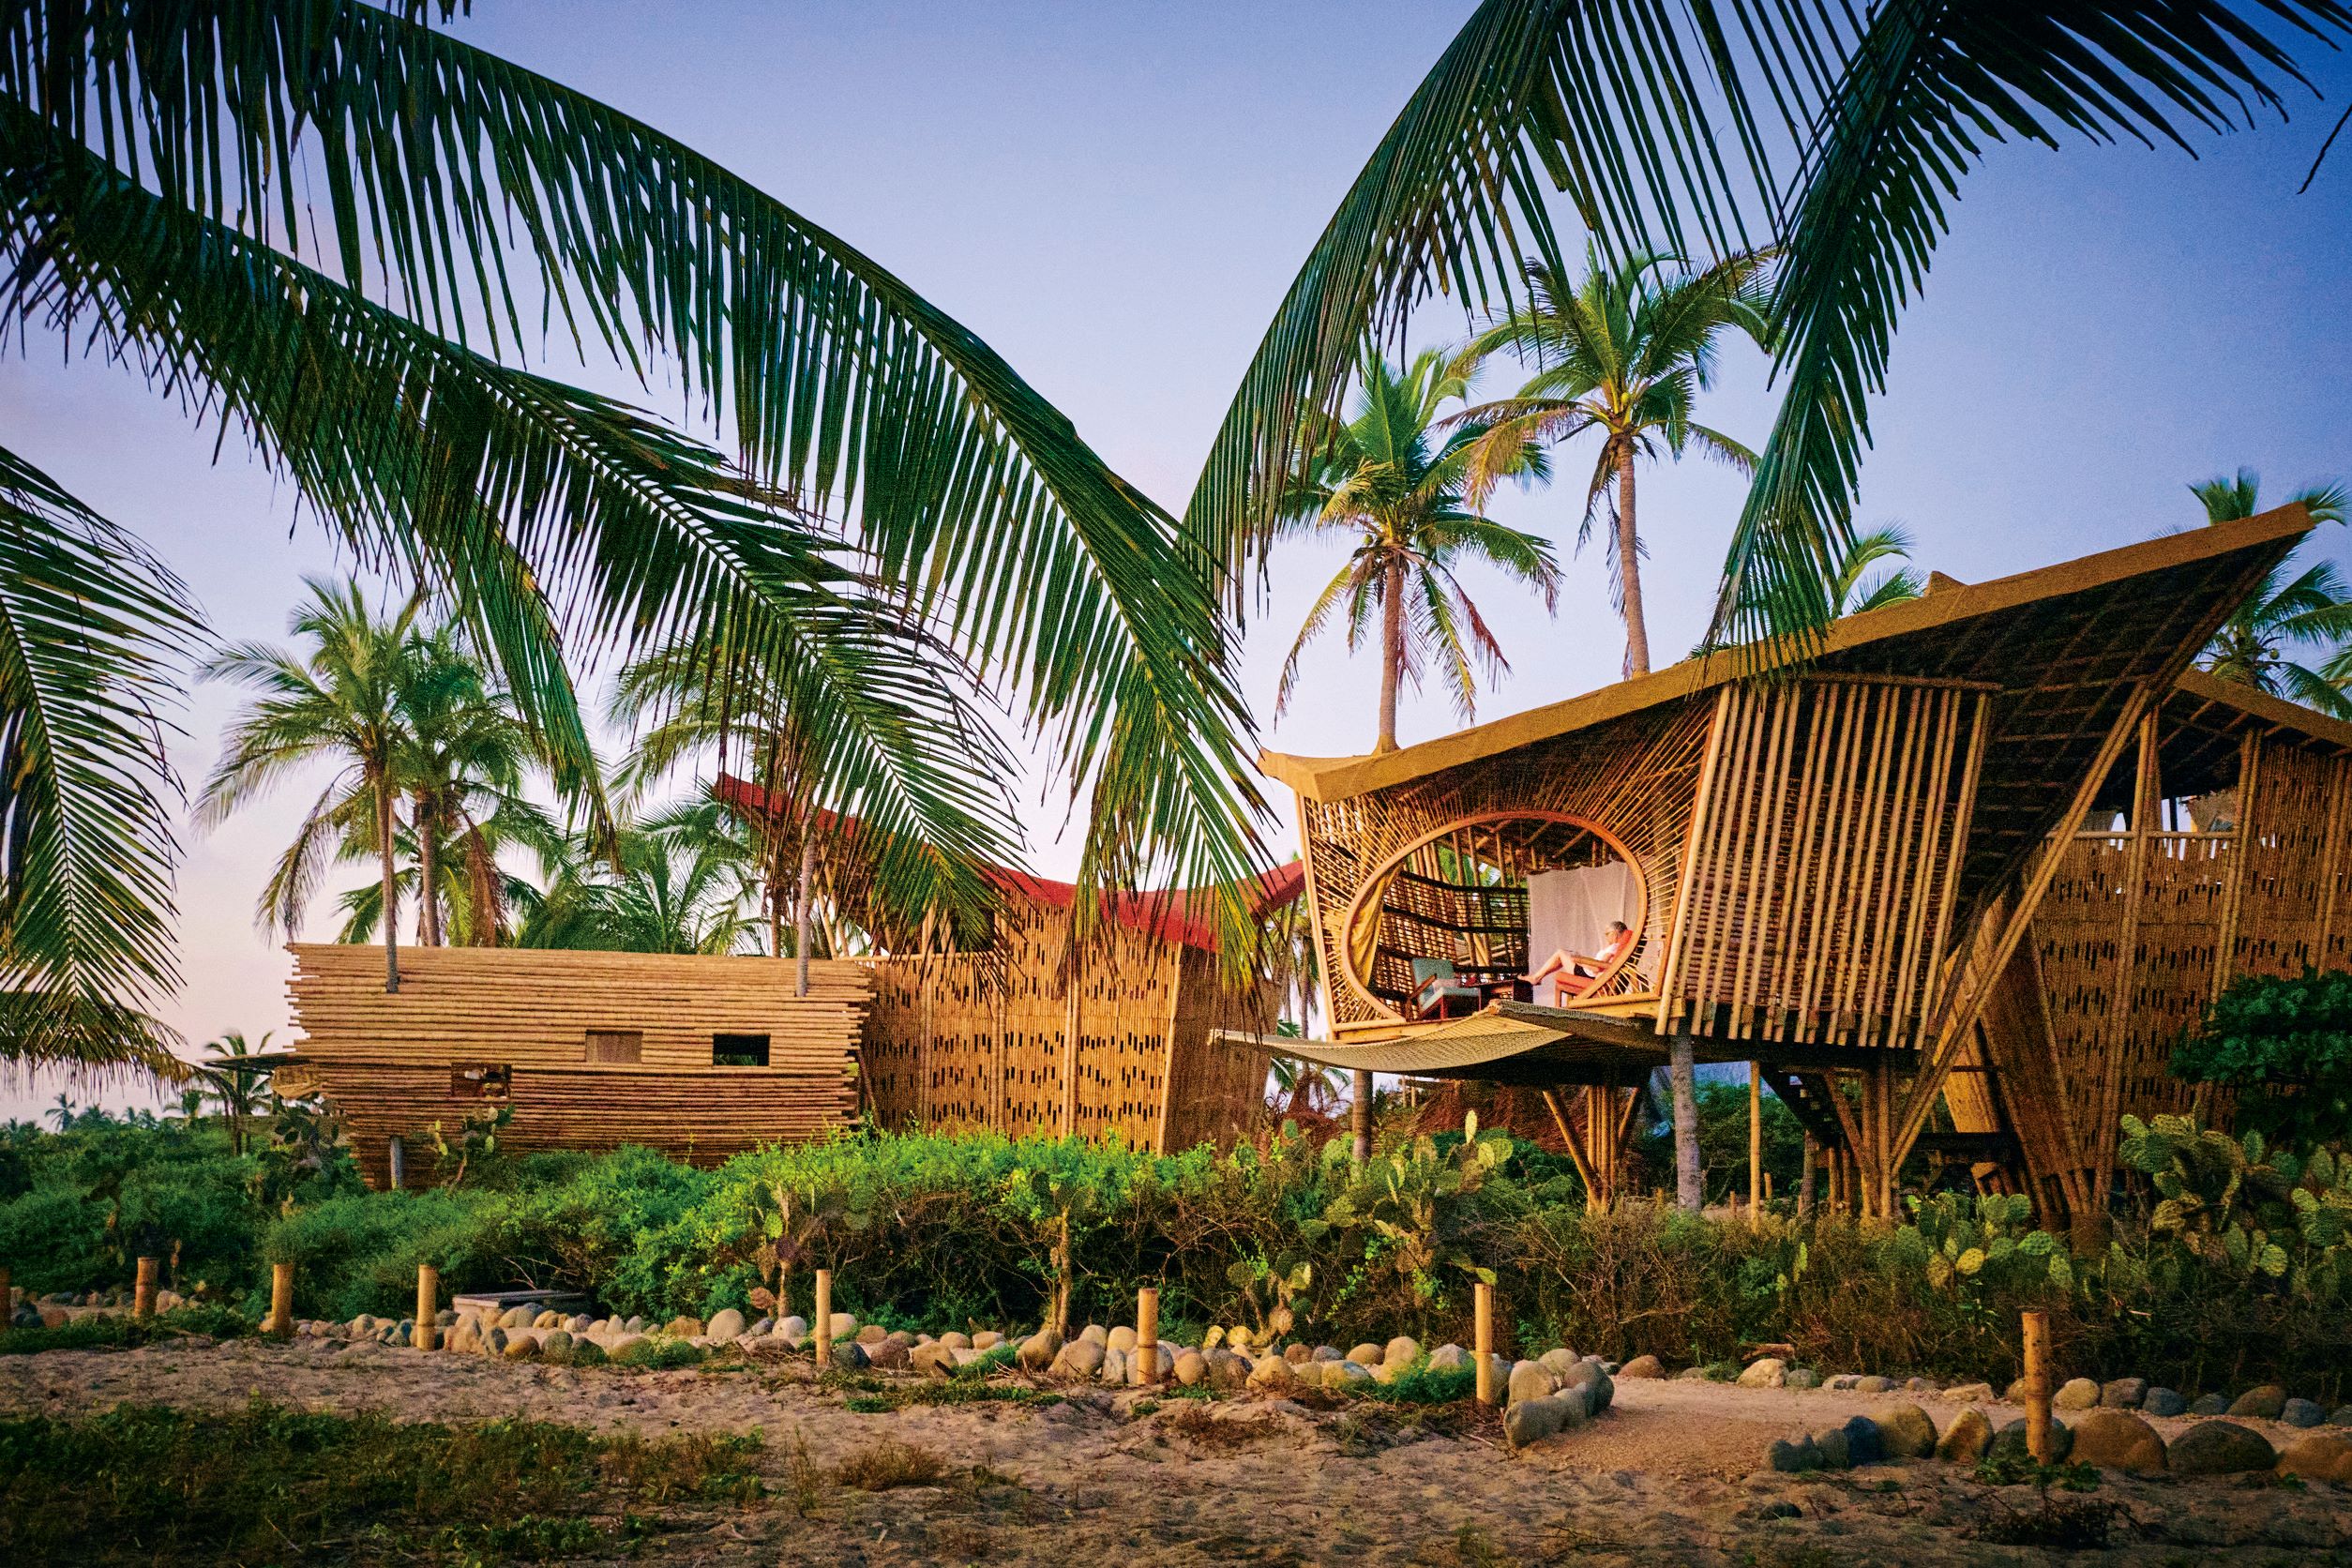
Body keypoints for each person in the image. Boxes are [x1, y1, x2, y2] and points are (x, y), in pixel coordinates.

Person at [1528, 921, 1633, 1003]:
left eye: (1607, 933)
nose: (1606, 937)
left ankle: (1537, 977)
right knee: (1566, 954)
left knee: (1560, 953)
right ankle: (1537, 977)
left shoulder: (1613, 948)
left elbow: (1598, 967)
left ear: (1614, 934)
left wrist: (1581, 961)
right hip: (1590, 974)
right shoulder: (1617, 948)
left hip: (1590, 976)